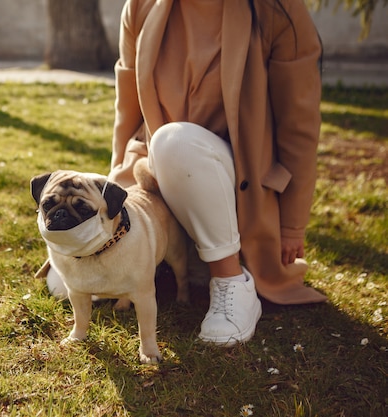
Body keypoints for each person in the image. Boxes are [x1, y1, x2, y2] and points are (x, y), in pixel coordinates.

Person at [106, 0, 328, 346]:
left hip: (240, 197)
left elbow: (298, 125)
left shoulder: (278, 10)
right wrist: (114, 202)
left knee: (174, 141)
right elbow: (128, 116)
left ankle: (231, 282)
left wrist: (292, 224)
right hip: (160, 192)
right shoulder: (140, 7)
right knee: (66, 283)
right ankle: (183, 265)